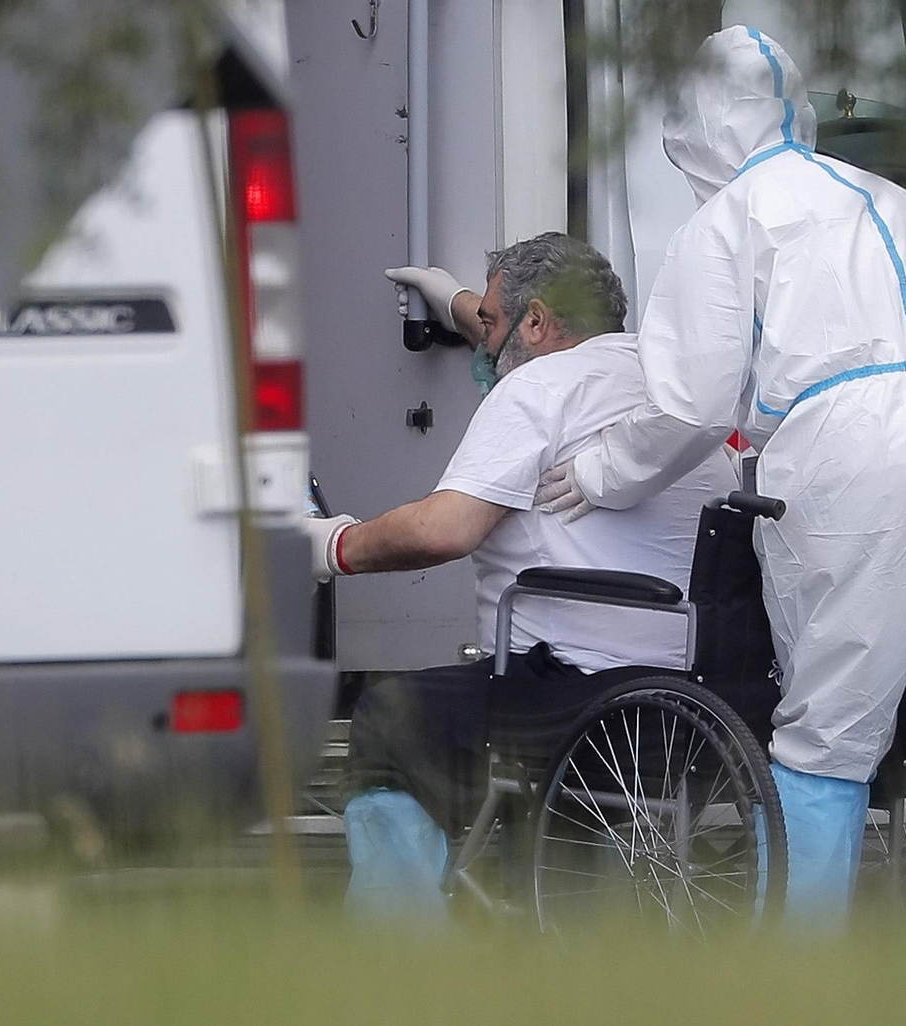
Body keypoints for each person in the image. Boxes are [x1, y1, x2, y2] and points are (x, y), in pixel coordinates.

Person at [532, 26, 906, 928]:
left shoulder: (728, 219)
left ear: (696, 127)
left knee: (825, 737)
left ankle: (795, 984)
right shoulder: (895, 201)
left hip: (856, 449)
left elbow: (691, 403)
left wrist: (601, 469)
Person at [305, 233, 737, 916]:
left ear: (537, 322)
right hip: (701, 712)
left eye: (491, 324)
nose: (483, 346)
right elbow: (514, 326)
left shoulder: (537, 387)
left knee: (391, 719)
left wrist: (335, 545)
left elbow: (444, 529)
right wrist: (453, 300)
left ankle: (398, 949)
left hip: (583, 702)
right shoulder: (674, 401)